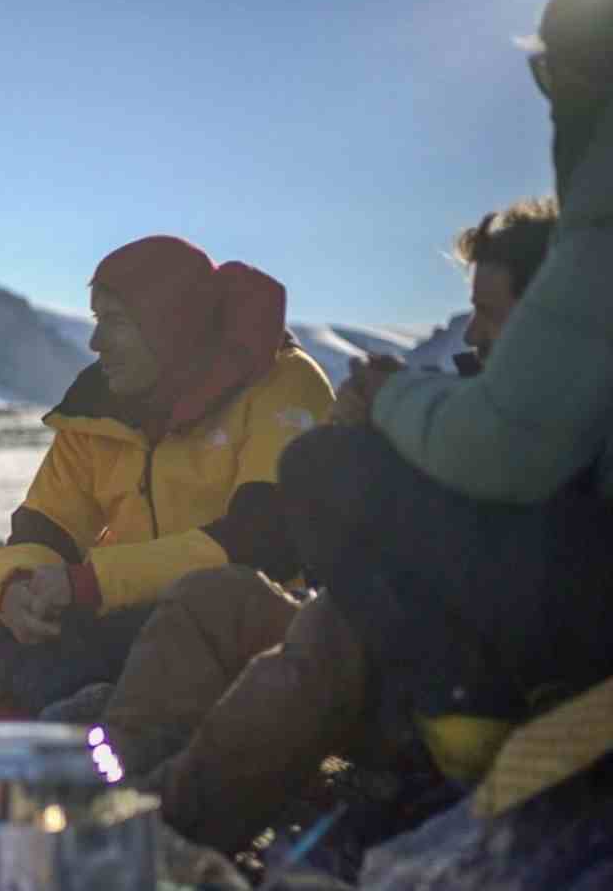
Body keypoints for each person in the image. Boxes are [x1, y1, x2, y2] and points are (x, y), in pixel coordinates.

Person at [168, 0, 613, 865]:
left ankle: (168, 837)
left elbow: (513, 446)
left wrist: (385, 409)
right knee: (310, 611)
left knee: (330, 490)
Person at [127, 198, 555, 854]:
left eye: (490, 314)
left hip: (461, 692)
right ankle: (116, 789)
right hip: (401, 643)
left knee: (335, 628)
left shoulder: (574, 420)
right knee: (213, 598)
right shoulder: (470, 404)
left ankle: (148, 839)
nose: (471, 334)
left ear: (553, 315)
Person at [0, 236, 332, 721]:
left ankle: (37, 696)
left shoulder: (282, 384)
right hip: (122, 617)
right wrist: (19, 589)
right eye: (95, 320)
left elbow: (265, 543)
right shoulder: (98, 406)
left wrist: (93, 583)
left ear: (171, 326)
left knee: (171, 625)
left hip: (245, 619)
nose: (96, 342)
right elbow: (43, 528)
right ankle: (86, 701)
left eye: (115, 322)